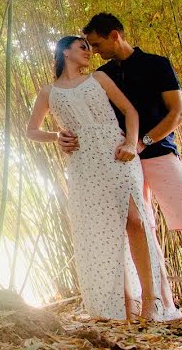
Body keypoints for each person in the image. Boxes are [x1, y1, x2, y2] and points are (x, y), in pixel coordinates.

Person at [76, 12, 182, 307]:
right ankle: (164, 304)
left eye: (97, 44)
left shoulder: (157, 64)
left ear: (114, 35)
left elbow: (177, 113)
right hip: (123, 162)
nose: (94, 52)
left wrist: (144, 142)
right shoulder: (104, 76)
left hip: (160, 154)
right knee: (145, 232)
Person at [27, 36, 169, 320]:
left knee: (135, 220)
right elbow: (31, 130)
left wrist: (131, 143)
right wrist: (57, 136)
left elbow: (130, 111)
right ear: (65, 51)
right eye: (82, 47)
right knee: (106, 232)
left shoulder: (100, 78)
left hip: (116, 152)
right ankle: (125, 307)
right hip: (83, 162)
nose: (89, 52)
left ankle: (151, 300)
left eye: (90, 47)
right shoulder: (48, 92)